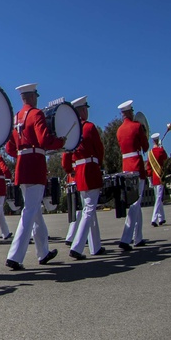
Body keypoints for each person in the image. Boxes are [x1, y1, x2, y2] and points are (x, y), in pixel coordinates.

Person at [4, 83, 65, 270]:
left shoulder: (15, 118)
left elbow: (9, 148)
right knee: (30, 211)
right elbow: (44, 139)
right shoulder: (37, 114)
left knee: (35, 211)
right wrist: (60, 142)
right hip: (35, 165)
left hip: (22, 166)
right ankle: (14, 256)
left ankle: (43, 252)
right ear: (32, 96)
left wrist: (22, 154)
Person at [64, 96, 105, 259]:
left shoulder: (71, 129)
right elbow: (99, 149)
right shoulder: (89, 127)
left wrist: (69, 169)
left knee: (90, 209)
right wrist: (99, 164)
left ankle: (95, 247)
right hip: (90, 169)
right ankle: (77, 247)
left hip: (78, 172)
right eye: (85, 109)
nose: (87, 111)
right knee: (89, 210)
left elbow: (66, 156)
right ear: (81, 110)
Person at [116, 100, 149, 250]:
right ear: (130, 112)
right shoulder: (136, 127)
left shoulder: (119, 130)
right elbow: (145, 146)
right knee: (135, 204)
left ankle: (138, 237)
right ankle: (126, 238)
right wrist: (143, 131)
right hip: (136, 165)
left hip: (126, 166)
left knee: (137, 203)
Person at [148, 132, 167, 227]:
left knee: (158, 198)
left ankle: (161, 218)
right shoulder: (160, 151)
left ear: (152, 141)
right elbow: (165, 157)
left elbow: (148, 167)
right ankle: (154, 219)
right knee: (159, 198)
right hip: (160, 177)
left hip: (153, 177)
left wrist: (149, 179)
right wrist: (162, 148)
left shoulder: (150, 153)